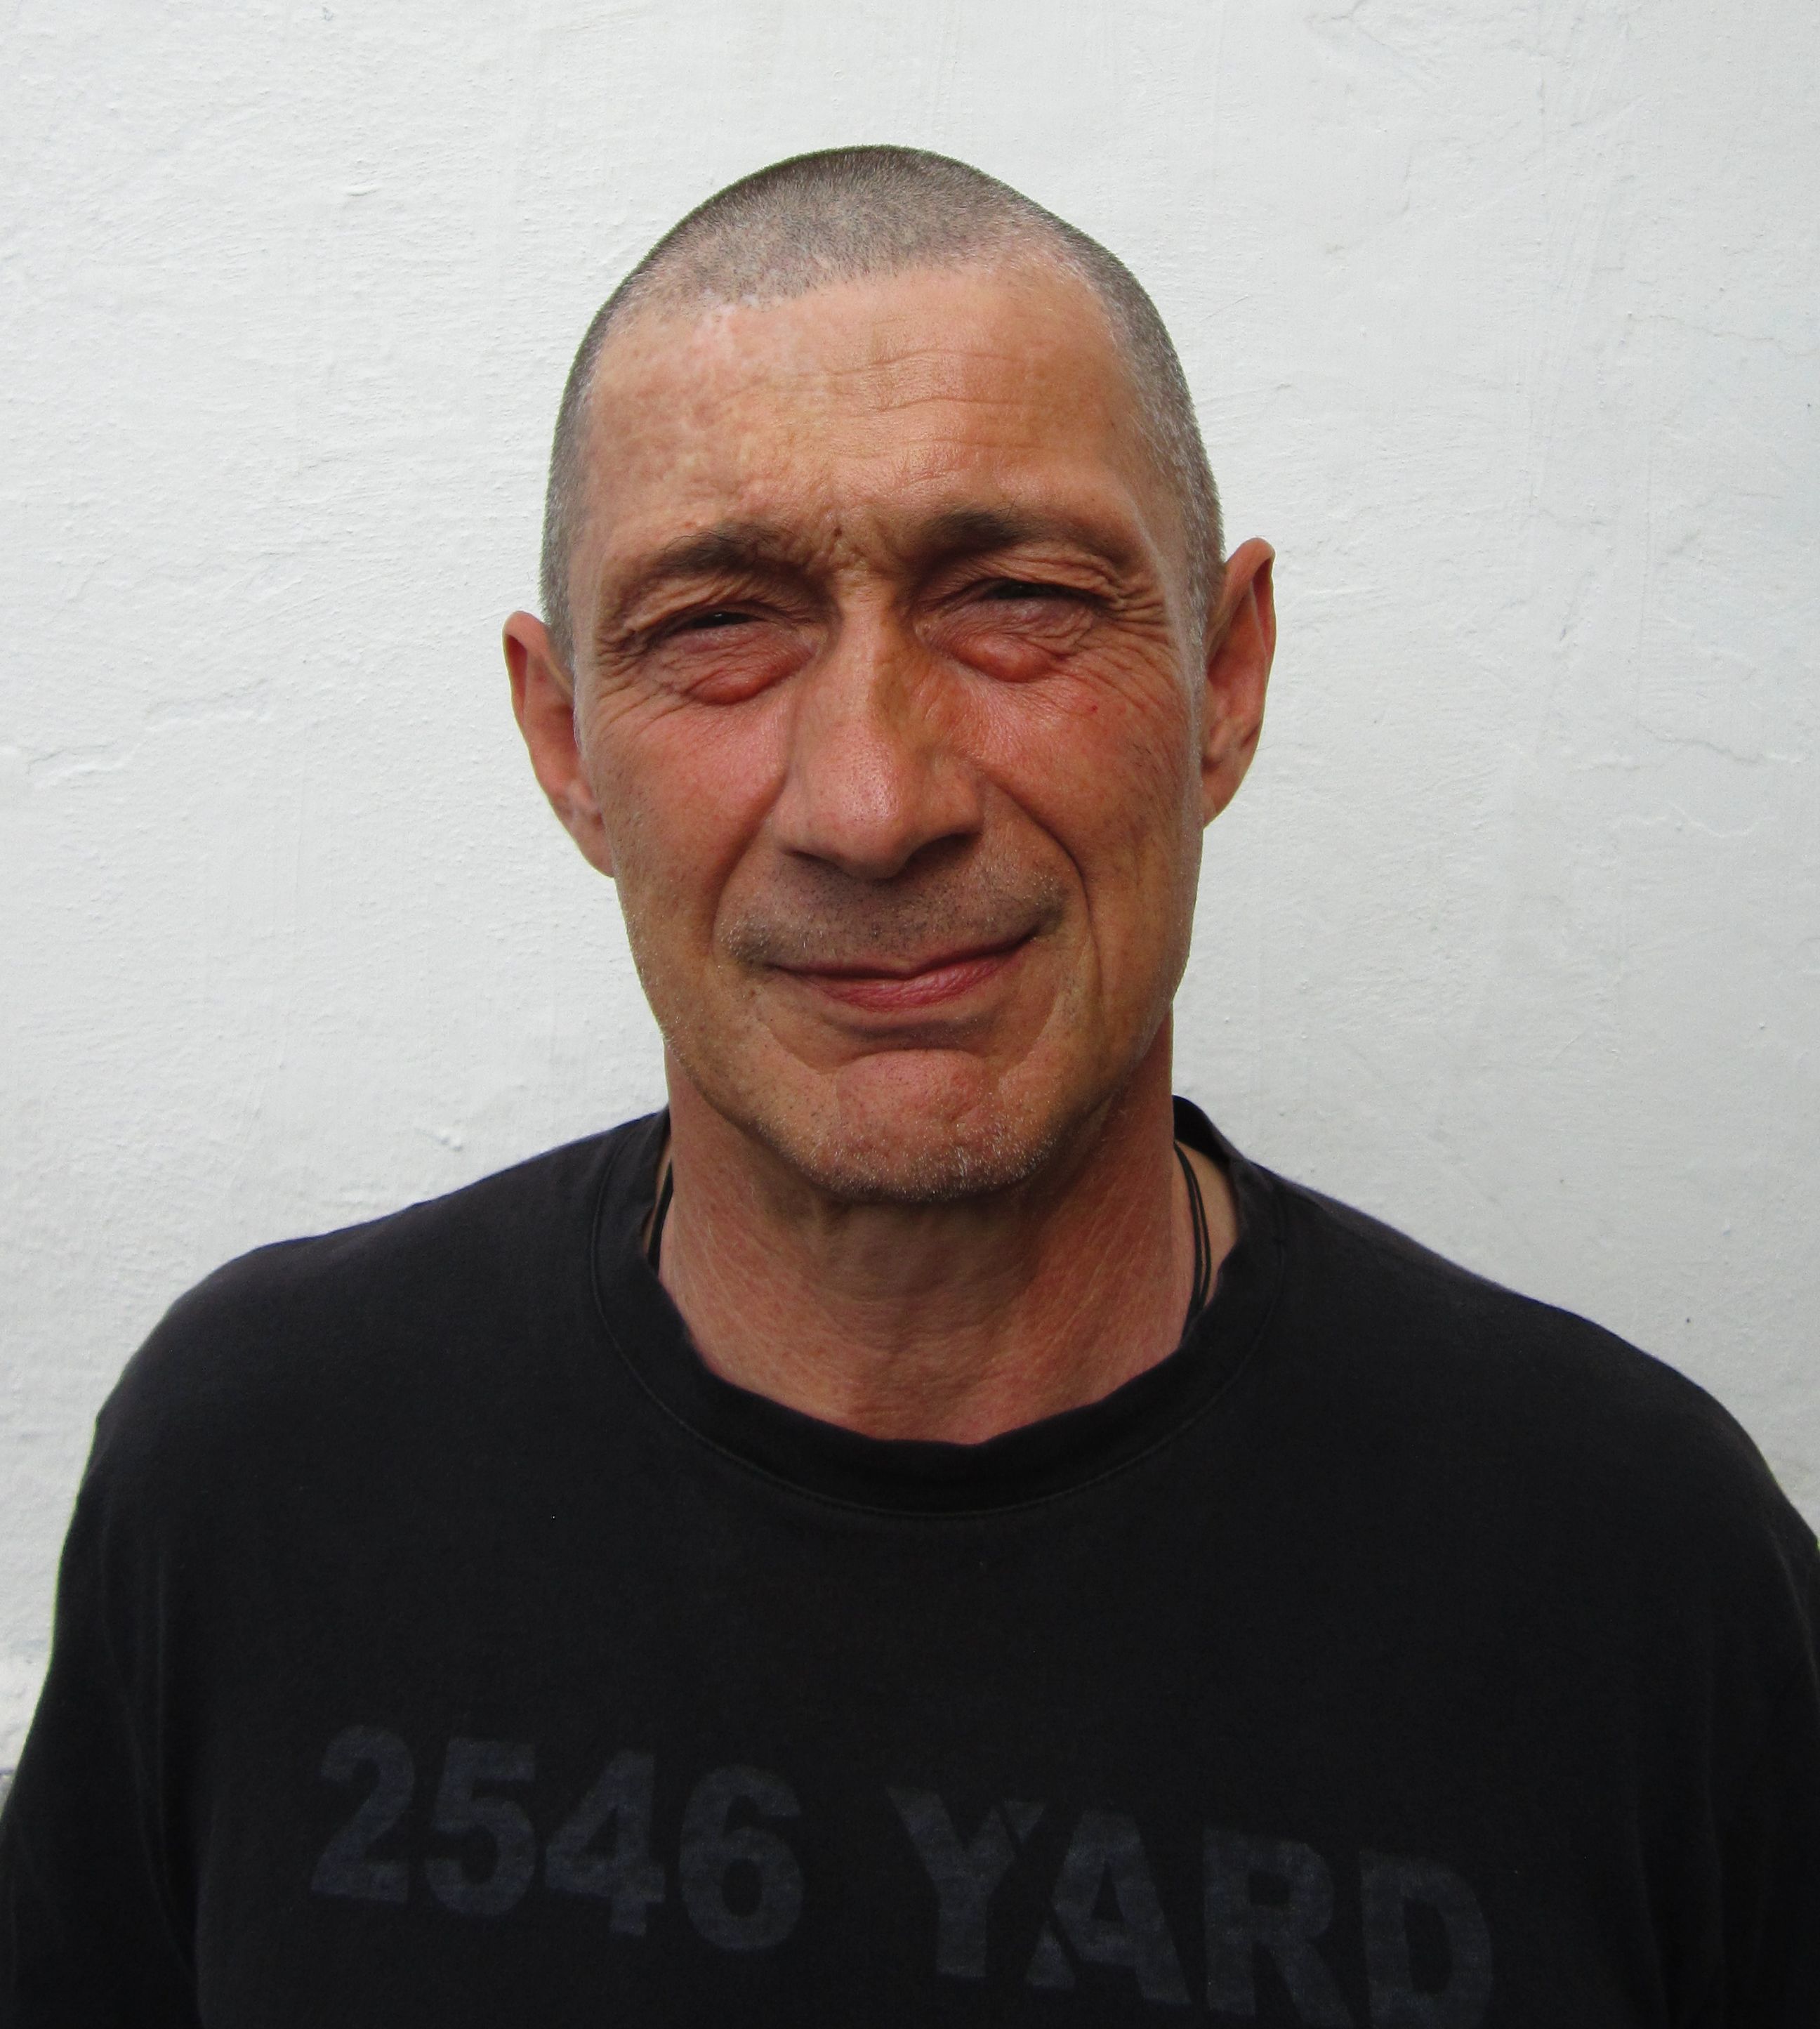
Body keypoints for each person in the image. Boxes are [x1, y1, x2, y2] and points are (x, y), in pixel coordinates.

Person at [1, 145, 1814, 2027]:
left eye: (1015, 596)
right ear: (567, 744)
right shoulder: (254, 1484)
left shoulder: (1641, 1585)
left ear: (1226, 677)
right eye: (717, 625)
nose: (874, 803)